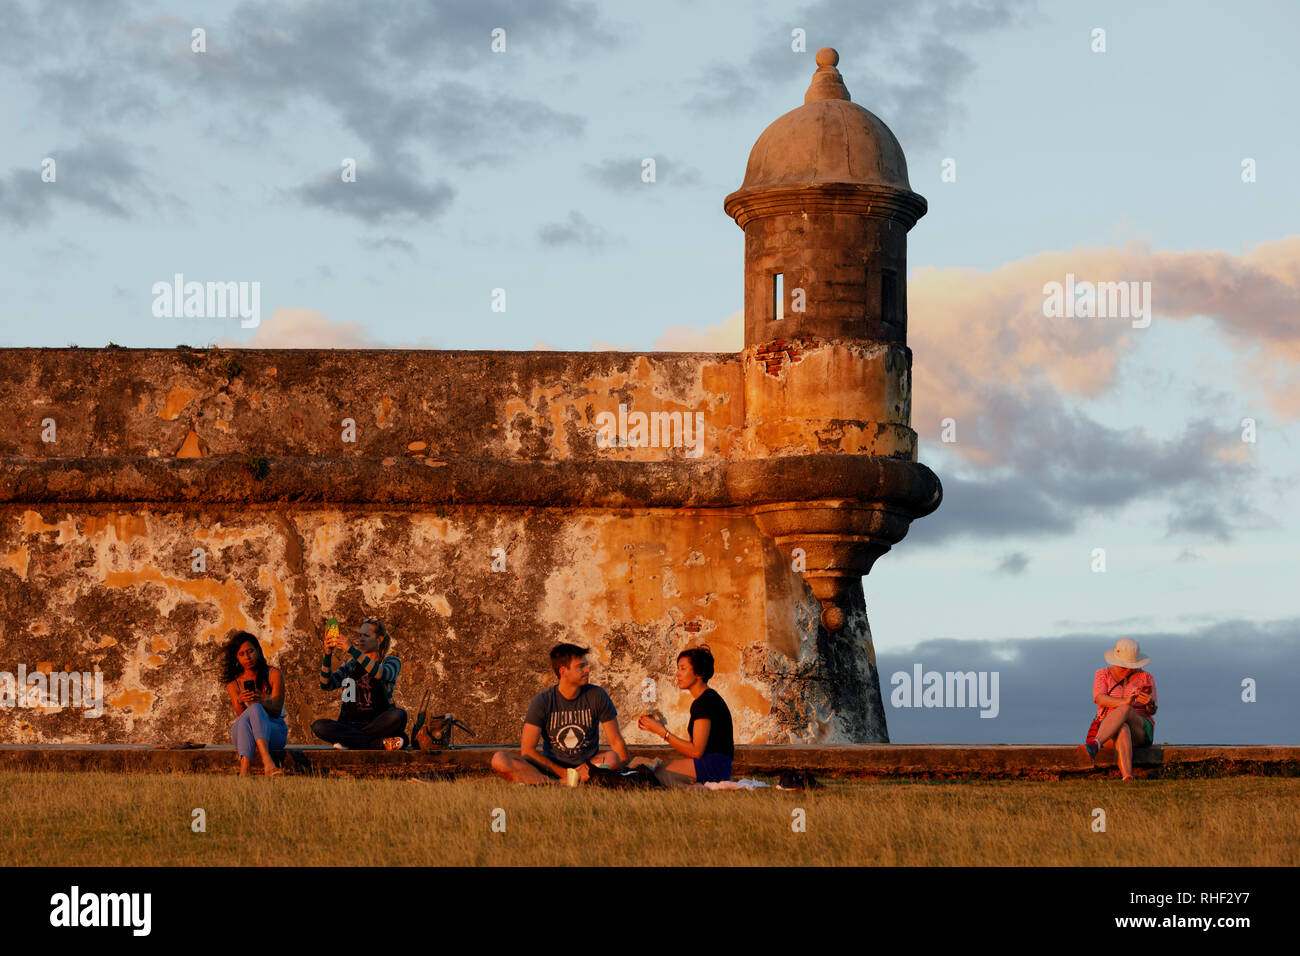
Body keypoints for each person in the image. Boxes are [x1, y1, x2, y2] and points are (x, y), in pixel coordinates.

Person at [490, 643, 629, 784]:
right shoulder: (542, 701)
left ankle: (546, 784)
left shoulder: (597, 695)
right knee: (500, 759)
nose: (587, 670)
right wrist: (565, 774)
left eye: (586, 665)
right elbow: (527, 750)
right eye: (581, 666)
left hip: (587, 768)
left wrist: (622, 768)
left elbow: (616, 741)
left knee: (612, 758)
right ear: (563, 671)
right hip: (550, 770)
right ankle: (556, 784)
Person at [637, 645, 734, 783]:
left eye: (683, 668)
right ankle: (695, 788)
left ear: (699, 673)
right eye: (678, 668)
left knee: (657, 774)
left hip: (714, 767)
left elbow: (696, 751)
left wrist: (661, 732)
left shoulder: (705, 701)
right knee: (656, 771)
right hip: (714, 765)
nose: (677, 673)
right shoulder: (704, 699)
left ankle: (700, 789)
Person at [311, 616, 407, 750]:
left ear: (379, 640)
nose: (361, 639)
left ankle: (350, 741)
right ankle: (377, 744)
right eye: (360, 635)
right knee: (319, 726)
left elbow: (380, 673)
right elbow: (326, 684)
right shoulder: (350, 664)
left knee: (399, 715)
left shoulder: (391, 661)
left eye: (366, 635)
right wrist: (327, 654)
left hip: (379, 725)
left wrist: (352, 650)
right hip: (351, 724)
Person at [1083, 638, 1158, 781]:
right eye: (1124, 667)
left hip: (1140, 729)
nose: (1128, 670)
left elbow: (1152, 711)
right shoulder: (1102, 674)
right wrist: (1125, 701)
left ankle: (1095, 744)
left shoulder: (1146, 677)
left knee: (1126, 710)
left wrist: (1150, 704)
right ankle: (1127, 776)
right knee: (1122, 727)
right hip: (1109, 729)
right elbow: (1099, 698)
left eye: (1132, 666)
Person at [221, 630, 287, 777]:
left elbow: (276, 710)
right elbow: (241, 716)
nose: (247, 657)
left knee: (256, 707)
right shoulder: (233, 683)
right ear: (236, 658)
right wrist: (240, 702)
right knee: (245, 719)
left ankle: (246, 769)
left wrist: (259, 702)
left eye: (250, 651)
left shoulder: (274, 674)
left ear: (257, 650)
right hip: (245, 734)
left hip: (274, 730)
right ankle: (266, 764)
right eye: (242, 654)